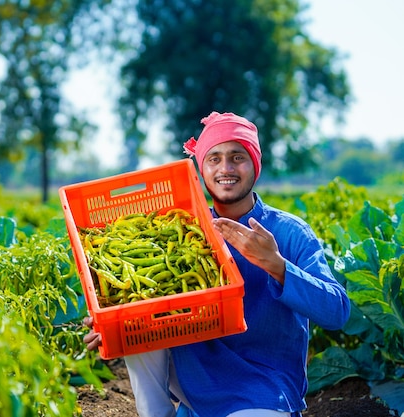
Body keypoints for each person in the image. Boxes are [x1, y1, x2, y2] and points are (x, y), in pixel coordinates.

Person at [82, 111, 351, 417]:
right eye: (214, 158)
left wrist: (276, 265)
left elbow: (337, 312)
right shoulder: (186, 228)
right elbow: (147, 305)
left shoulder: (290, 233)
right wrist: (113, 323)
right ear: (202, 167)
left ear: (255, 164)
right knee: (135, 319)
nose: (226, 168)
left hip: (262, 386)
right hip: (195, 382)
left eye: (238, 157)